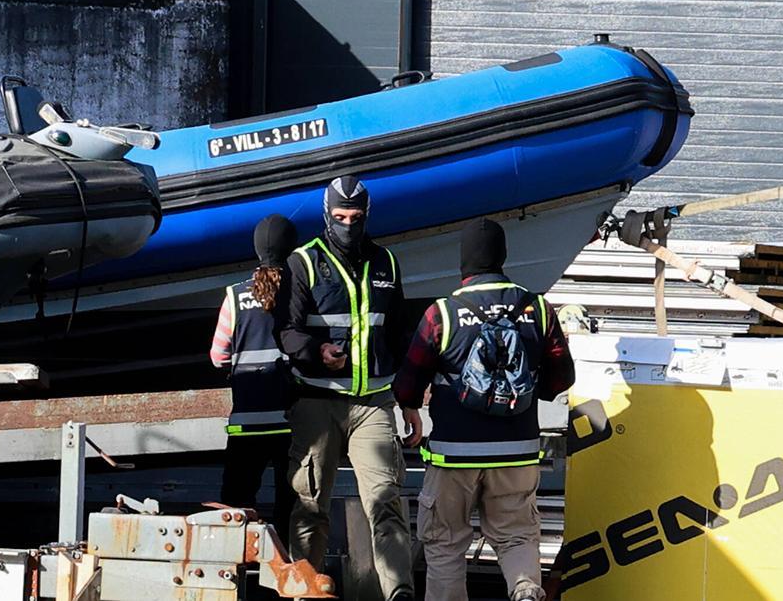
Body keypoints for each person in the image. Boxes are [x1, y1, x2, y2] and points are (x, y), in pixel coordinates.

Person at [394, 218, 576, 601]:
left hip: (453, 454)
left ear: (463, 261)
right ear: (503, 257)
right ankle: (526, 588)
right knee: (517, 536)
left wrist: (411, 407)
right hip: (517, 451)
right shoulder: (538, 309)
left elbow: (408, 382)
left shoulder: (441, 313)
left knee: (445, 544)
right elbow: (562, 378)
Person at [274, 175, 415, 601]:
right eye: (339, 217)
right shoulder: (303, 262)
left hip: (374, 402)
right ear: (326, 216)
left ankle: (399, 591)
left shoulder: (387, 263)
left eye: (355, 217)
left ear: (367, 215)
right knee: (310, 506)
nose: (347, 225)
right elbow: (286, 331)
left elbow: (399, 336)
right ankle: (305, 590)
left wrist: (408, 401)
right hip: (318, 401)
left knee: (386, 500)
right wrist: (318, 352)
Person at [210, 214, 299, 543]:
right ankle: (288, 577)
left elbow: (218, 356)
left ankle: (237, 577)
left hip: (247, 424)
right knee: (292, 506)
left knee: (236, 506)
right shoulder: (300, 293)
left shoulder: (235, 296)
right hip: (292, 423)